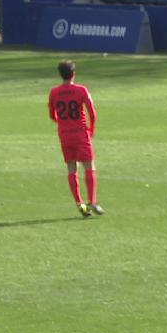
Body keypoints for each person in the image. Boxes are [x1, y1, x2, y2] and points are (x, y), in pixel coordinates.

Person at [48, 60, 104, 217]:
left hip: (64, 134)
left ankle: (80, 204)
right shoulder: (81, 90)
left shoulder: (54, 92)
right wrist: (91, 128)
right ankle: (92, 202)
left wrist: (63, 123)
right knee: (89, 166)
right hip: (80, 133)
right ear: (74, 74)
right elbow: (92, 112)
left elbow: (52, 115)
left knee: (71, 168)